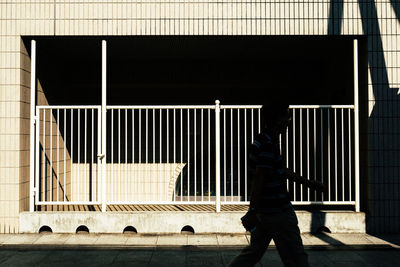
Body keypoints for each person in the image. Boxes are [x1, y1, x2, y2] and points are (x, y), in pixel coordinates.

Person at [228, 103, 326, 267]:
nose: (289, 120)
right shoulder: (267, 144)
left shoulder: (264, 141)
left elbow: (279, 171)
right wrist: (252, 210)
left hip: (265, 212)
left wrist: (310, 183)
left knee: (253, 253)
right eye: (286, 116)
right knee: (296, 258)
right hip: (278, 212)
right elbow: (260, 178)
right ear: (277, 120)